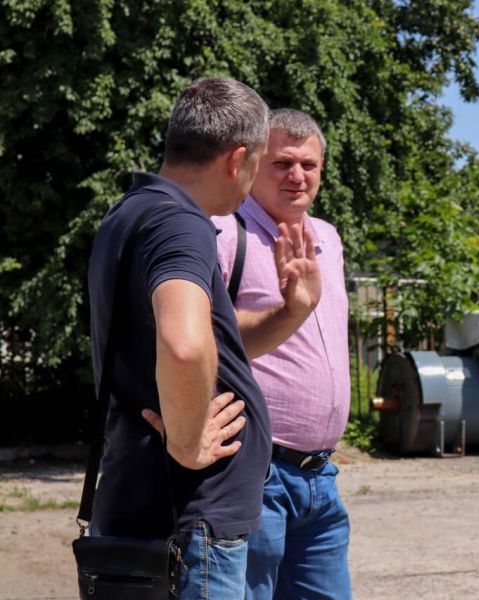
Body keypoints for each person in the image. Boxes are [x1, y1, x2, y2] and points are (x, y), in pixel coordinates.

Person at [87, 77, 308, 598]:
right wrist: (189, 444)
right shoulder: (181, 224)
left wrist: (289, 312)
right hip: (191, 523)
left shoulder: (131, 212)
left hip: (146, 508)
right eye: (259, 163)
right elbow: (184, 345)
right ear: (237, 159)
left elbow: (206, 342)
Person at [212, 108, 352, 599]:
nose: (297, 176)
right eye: (282, 163)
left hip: (321, 476)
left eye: (309, 165)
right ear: (252, 163)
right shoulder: (225, 233)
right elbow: (205, 339)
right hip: (255, 470)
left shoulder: (327, 238)